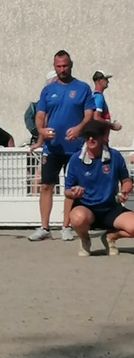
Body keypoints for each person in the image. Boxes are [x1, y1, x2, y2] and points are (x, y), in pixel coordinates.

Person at [28, 50, 95, 242]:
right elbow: (40, 115)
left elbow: (89, 113)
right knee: (46, 185)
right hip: (53, 147)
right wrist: (41, 130)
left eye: (65, 66)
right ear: (54, 66)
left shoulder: (82, 88)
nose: (62, 69)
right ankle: (44, 227)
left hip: (75, 148)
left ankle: (67, 226)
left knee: (71, 188)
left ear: (71, 65)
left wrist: (79, 128)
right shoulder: (48, 90)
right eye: (58, 66)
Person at [65, 120, 134, 256]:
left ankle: (110, 237)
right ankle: (85, 239)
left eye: (95, 135)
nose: (91, 139)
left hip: (111, 208)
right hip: (87, 208)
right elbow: (67, 191)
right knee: (77, 218)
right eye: (87, 136)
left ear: (103, 137)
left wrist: (125, 190)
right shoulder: (75, 159)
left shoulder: (115, 156)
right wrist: (74, 192)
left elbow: (126, 180)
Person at [92, 70, 122, 134]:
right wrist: (112, 125)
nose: (108, 81)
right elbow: (96, 117)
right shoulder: (99, 97)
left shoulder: (95, 96)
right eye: (106, 79)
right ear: (99, 81)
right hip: (100, 139)